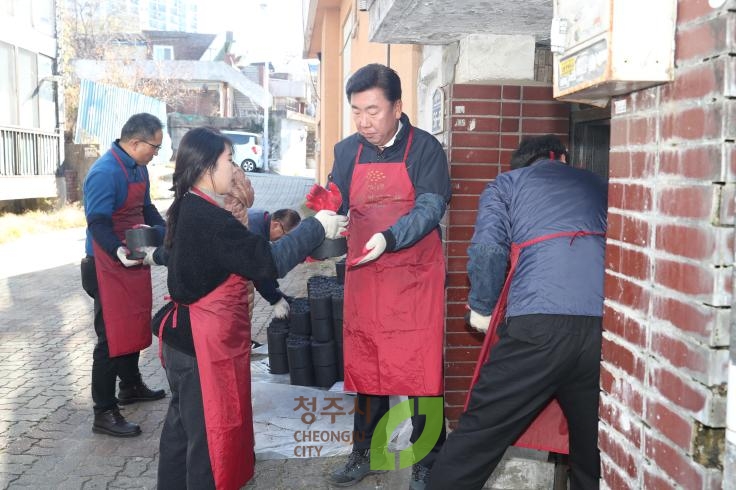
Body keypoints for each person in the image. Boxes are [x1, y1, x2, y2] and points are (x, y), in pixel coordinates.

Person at [154, 127, 347, 490]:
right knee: (208, 445)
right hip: (202, 348)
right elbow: (267, 262)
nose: (235, 170)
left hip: (183, 343)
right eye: (229, 161)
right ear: (207, 167)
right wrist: (316, 227)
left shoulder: (188, 205)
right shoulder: (209, 219)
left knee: (182, 434)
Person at [428, 134, 607, 490]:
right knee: (594, 447)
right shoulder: (601, 184)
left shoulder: (506, 184)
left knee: (478, 436)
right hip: (602, 331)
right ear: (563, 159)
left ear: (521, 164)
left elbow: (487, 250)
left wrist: (481, 306)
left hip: (538, 327)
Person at [324, 63, 451, 490]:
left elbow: (431, 208)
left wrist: (390, 237)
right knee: (366, 369)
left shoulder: (425, 150)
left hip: (414, 279)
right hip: (365, 280)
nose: (364, 121)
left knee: (422, 374)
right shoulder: (346, 152)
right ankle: (368, 453)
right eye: (357, 111)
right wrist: (325, 216)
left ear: (397, 107)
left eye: (373, 110)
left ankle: (428, 460)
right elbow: (333, 199)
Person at [79, 113, 168, 438]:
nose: (156, 154)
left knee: (133, 322)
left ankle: (130, 386)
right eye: (154, 147)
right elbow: (98, 222)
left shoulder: (138, 167)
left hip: (132, 256)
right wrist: (118, 252)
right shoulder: (104, 173)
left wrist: (165, 231)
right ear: (135, 143)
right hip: (105, 262)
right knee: (110, 337)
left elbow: (146, 209)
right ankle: (103, 411)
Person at [247, 207, 302, 318]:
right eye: (285, 237)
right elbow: (258, 273)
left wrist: (277, 291)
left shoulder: (263, 219)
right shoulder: (255, 233)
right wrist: (275, 299)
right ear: (276, 225)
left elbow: (267, 263)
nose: (283, 242)